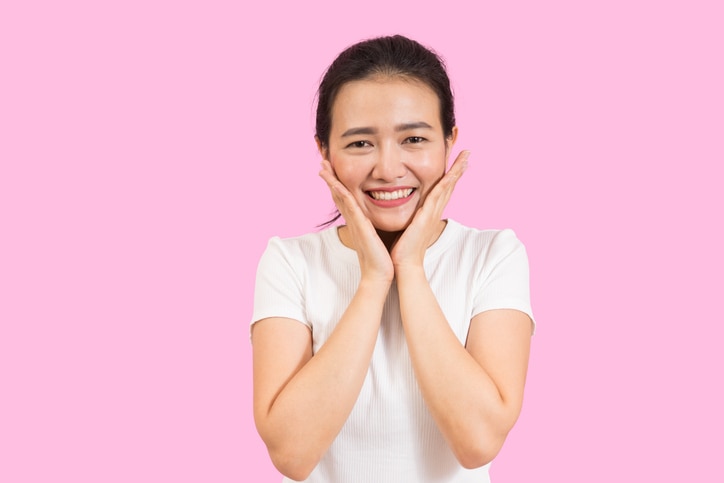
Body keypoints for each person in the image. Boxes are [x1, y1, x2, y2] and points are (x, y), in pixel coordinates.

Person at [251, 34, 534, 483]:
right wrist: (372, 281)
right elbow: (292, 453)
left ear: (449, 140)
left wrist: (412, 269)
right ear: (324, 151)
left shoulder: (493, 256)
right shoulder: (290, 263)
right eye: (360, 144)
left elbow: (478, 442)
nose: (387, 168)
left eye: (414, 138)